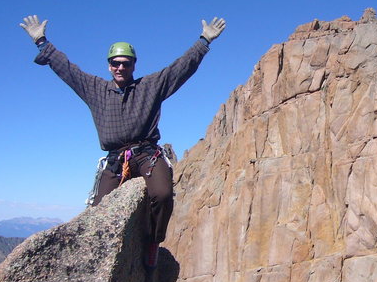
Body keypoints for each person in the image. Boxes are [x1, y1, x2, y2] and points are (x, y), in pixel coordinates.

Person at [20, 14, 226, 267]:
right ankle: (95, 259)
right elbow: (67, 69)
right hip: (116, 160)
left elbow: (180, 69)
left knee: (162, 194)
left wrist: (204, 40)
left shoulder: (149, 87)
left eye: (125, 64)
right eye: (115, 63)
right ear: (109, 65)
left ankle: (153, 241)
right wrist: (41, 42)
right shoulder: (95, 89)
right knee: (97, 212)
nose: (120, 68)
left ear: (134, 65)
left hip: (146, 154)